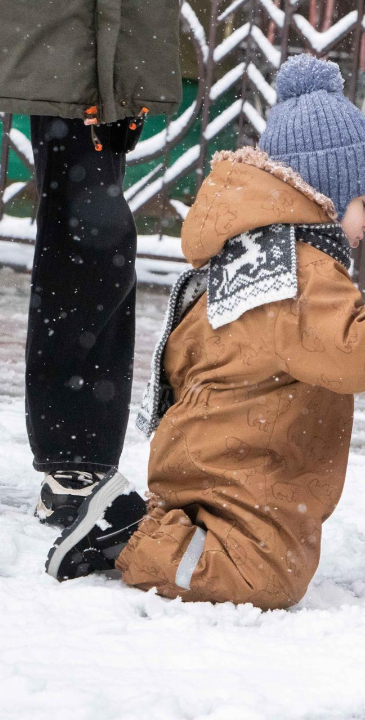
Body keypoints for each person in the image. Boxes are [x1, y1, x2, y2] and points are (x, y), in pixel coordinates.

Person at [44, 56, 365, 610]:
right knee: (263, 578)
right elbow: (355, 351)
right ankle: (126, 532)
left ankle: (151, 526)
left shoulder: (261, 253)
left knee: (274, 561)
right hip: (240, 460)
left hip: (232, 449)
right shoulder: (295, 271)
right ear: (327, 191)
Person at [0, 1, 182, 527]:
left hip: (104, 45)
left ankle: (76, 465)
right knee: (89, 235)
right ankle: (75, 460)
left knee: (94, 237)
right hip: (49, 33)